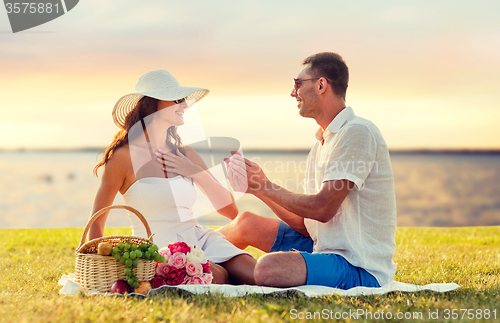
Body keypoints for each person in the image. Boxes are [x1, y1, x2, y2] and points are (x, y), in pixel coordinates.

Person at [220, 52, 397, 289]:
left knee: (267, 269)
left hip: (357, 266)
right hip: (321, 247)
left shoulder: (357, 132)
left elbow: (323, 208)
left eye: (297, 84)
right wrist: (258, 189)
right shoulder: (321, 143)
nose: (293, 93)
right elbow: (306, 225)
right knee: (244, 223)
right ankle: (181, 258)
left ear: (322, 85)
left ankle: (213, 274)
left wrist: (266, 186)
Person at [89, 69, 256, 285]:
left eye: (184, 99)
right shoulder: (122, 158)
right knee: (222, 276)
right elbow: (97, 220)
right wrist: (97, 262)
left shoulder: (185, 154)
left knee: (260, 274)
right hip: (160, 251)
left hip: (200, 239)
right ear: (152, 104)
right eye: (177, 99)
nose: (185, 105)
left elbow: (230, 211)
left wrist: (194, 171)